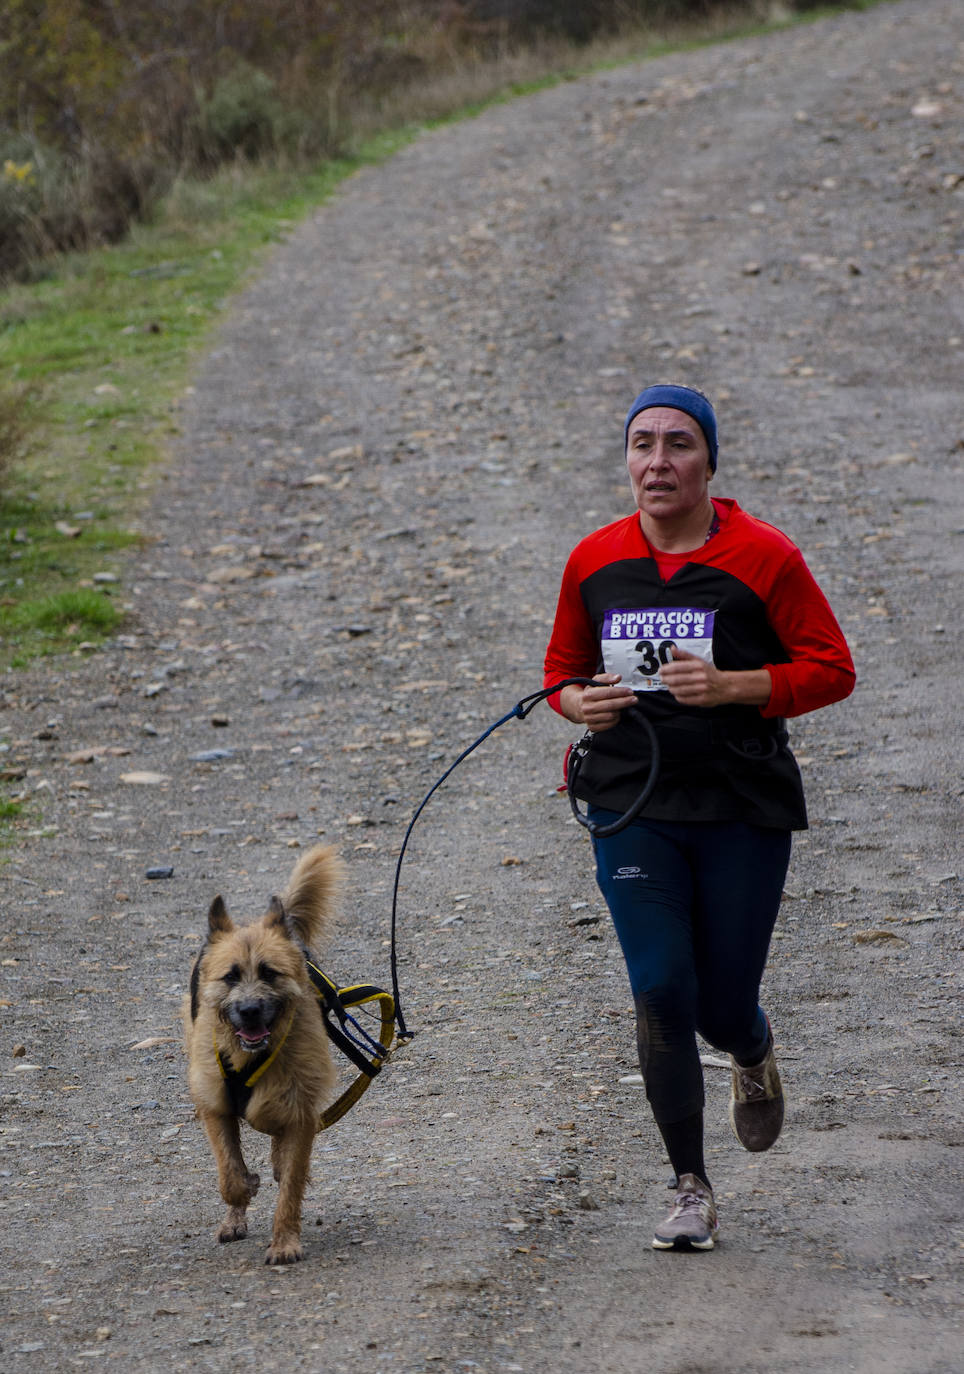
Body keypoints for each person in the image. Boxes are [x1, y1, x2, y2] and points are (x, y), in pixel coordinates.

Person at [543, 383, 855, 1251]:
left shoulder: (765, 558)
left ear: (709, 461)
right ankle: (689, 1185)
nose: (658, 461)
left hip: (739, 805)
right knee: (660, 990)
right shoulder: (594, 561)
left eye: (679, 444)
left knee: (720, 1007)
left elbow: (833, 668)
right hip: (631, 800)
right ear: (627, 461)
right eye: (642, 444)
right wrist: (582, 704)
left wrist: (734, 688)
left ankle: (750, 1050)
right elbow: (559, 673)